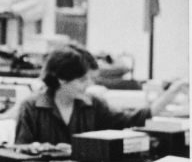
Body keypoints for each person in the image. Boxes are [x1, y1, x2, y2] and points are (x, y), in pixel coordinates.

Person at [14, 44, 188, 145]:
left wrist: (171, 93)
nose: (89, 85)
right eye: (82, 80)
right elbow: (21, 154)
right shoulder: (31, 108)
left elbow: (133, 119)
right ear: (61, 79)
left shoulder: (94, 105)